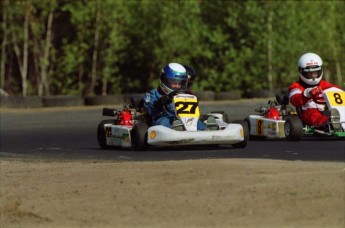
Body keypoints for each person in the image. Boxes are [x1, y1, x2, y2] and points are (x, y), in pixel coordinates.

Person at [143, 63, 216, 130]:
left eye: (180, 83)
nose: (177, 86)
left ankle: (207, 131)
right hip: (162, 119)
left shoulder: (186, 95)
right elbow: (150, 110)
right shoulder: (152, 94)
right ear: (164, 80)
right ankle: (175, 130)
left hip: (185, 119)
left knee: (197, 122)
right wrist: (159, 103)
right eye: (174, 82)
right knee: (164, 121)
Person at [288, 52, 341, 130]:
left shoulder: (324, 85)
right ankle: (327, 124)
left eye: (315, 72)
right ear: (302, 72)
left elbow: (338, 92)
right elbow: (294, 99)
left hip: (327, 111)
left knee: (337, 110)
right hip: (307, 113)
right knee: (313, 114)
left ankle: (337, 121)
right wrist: (307, 93)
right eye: (310, 73)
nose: (313, 75)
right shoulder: (296, 86)